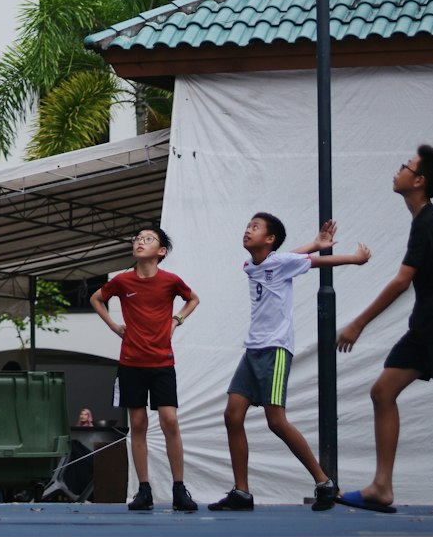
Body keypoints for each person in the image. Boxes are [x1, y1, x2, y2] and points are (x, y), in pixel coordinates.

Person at [336, 146, 433, 514]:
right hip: (426, 324)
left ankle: (383, 485)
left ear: (419, 181)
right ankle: (381, 487)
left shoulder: (430, 222)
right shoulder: (423, 221)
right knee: (383, 392)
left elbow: (402, 281)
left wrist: (357, 322)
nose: (397, 170)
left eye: (406, 166)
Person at [209, 213, 370, 513]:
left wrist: (354, 258)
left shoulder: (280, 263)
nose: (247, 230)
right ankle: (241, 492)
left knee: (276, 421)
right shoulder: (251, 266)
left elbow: (312, 263)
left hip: (276, 350)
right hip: (252, 350)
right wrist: (314, 243)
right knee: (232, 416)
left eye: (254, 228)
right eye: (247, 226)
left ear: (269, 239)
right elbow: (282, 259)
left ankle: (324, 482)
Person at [90, 225, 200, 513]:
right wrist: (115, 326)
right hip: (130, 364)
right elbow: (96, 298)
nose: (140, 242)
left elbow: (193, 299)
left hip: (162, 362)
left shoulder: (170, 281)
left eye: (148, 239)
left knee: (170, 421)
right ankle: (143, 489)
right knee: (137, 425)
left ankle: (179, 488)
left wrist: (177, 320)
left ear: (161, 251)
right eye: (137, 238)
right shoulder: (123, 281)